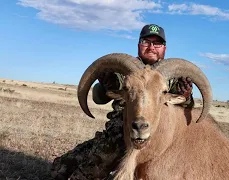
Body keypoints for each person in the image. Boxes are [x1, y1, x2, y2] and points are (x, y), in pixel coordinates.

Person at [51, 24, 195, 179]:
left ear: (164, 48)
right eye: (146, 42)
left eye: (157, 43)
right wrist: (107, 85)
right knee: (59, 169)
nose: (152, 47)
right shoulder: (124, 71)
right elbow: (98, 98)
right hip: (121, 129)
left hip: (157, 133)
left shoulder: (172, 79)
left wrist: (186, 96)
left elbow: (187, 109)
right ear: (139, 45)